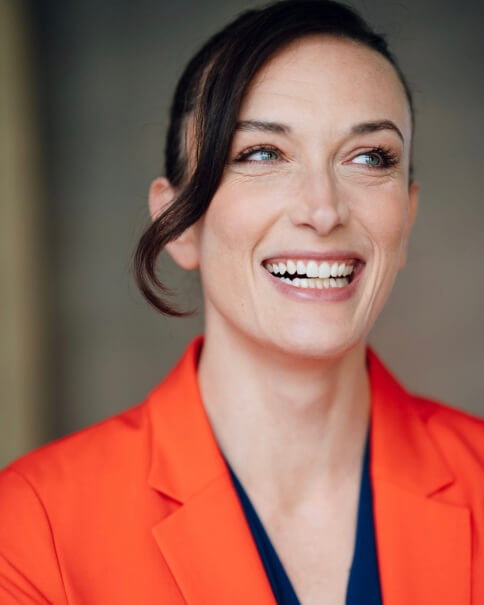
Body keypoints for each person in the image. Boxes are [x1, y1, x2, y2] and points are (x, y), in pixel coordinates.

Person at [1, 1, 483, 603]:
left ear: (405, 220)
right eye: (262, 154)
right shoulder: (31, 525)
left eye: (368, 158)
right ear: (180, 224)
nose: (323, 210)